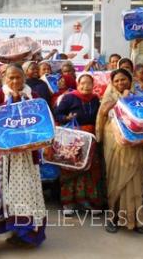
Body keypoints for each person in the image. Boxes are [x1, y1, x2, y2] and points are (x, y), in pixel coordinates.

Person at [0, 64, 47, 259]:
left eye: (18, 77)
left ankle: (19, 234)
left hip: (25, 157)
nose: (15, 81)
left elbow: (41, 120)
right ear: (5, 78)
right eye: (11, 78)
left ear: (24, 77)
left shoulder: (32, 95)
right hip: (0, 156)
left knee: (24, 195)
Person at [95, 68, 143, 234]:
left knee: (135, 181)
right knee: (115, 180)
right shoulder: (109, 97)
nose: (120, 83)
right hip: (114, 143)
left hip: (135, 144)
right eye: (116, 81)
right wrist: (120, 101)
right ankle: (113, 218)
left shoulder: (139, 96)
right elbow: (102, 114)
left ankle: (135, 220)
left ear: (130, 80)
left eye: (123, 79)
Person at [54, 73, 103, 214]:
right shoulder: (69, 98)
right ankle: (68, 203)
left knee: (89, 170)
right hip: (73, 139)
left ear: (93, 85)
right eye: (82, 83)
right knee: (70, 169)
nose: (85, 86)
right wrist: (66, 117)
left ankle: (87, 201)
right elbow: (57, 114)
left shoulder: (95, 99)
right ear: (77, 84)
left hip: (90, 139)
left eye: (89, 83)